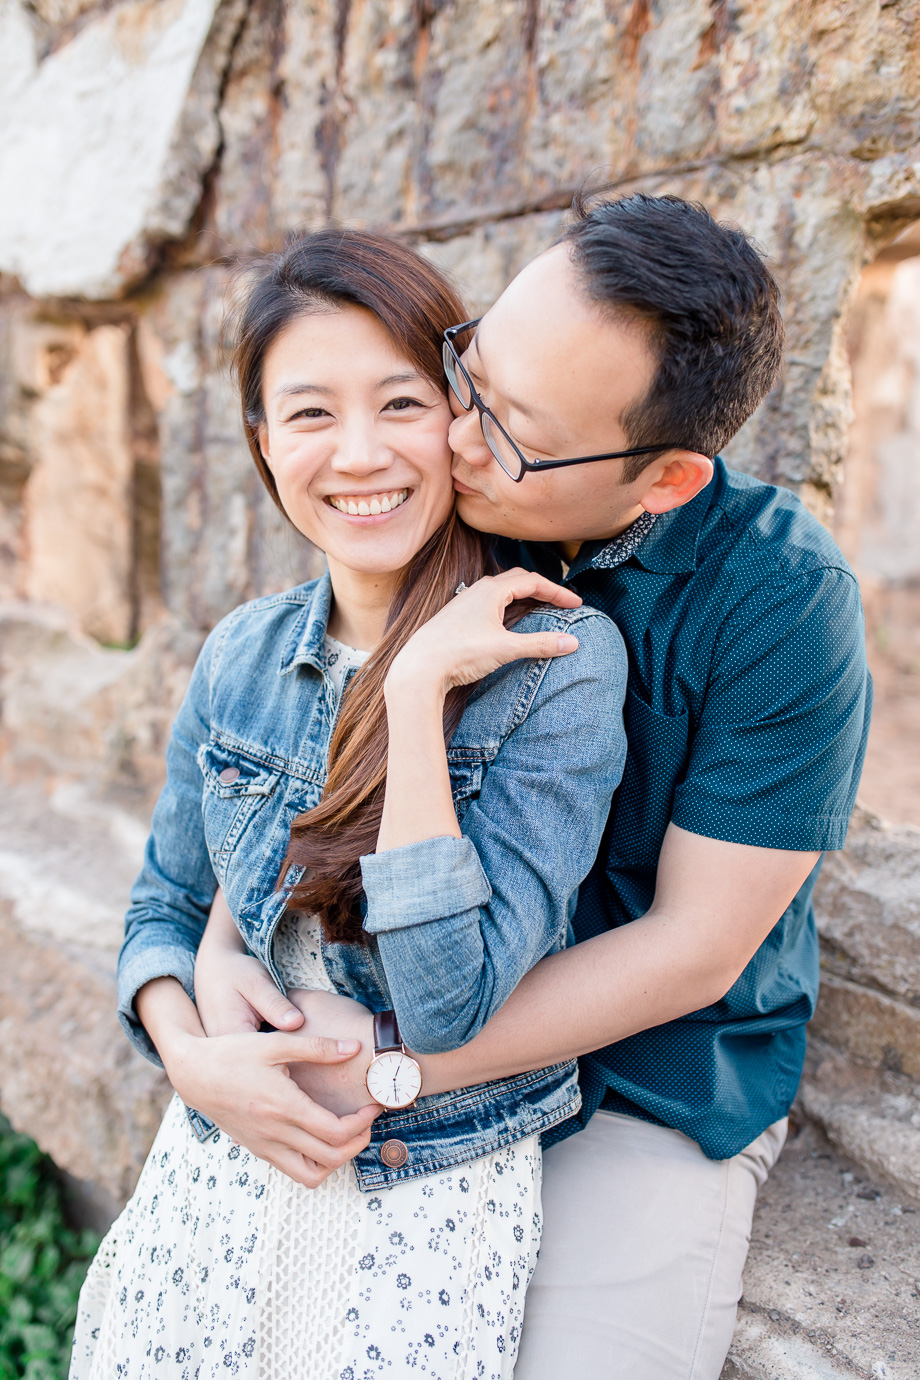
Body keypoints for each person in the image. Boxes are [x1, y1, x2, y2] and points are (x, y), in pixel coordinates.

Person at [214, 194, 870, 1379]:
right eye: (470, 370)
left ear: (663, 478)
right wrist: (209, 1027)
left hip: (643, 1074)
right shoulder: (446, 518)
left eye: (507, 427)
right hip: (405, 985)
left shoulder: (780, 601)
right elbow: (256, 800)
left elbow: (692, 951)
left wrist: (391, 1066)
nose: (454, 436)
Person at [69, 229, 629, 1379]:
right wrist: (190, 1058)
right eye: (311, 413)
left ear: (460, 422)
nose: (359, 453)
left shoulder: (558, 661)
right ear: (264, 443)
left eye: (399, 403)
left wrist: (417, 689)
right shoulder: (242, 653)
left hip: (420, 1190)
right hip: (219, 1158)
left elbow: (445, 1006)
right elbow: (163, 908)